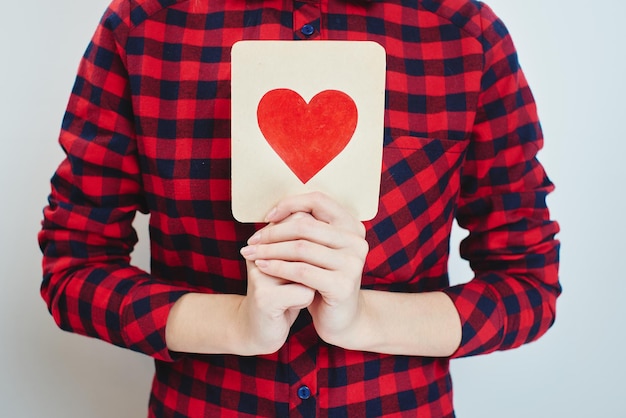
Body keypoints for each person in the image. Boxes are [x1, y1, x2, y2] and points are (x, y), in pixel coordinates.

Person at [39, 0, 561, 416]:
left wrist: (362, 320)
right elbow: (73, 267)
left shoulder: (465, 36)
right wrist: (235, 325)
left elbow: (528, 283)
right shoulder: (141, 28)